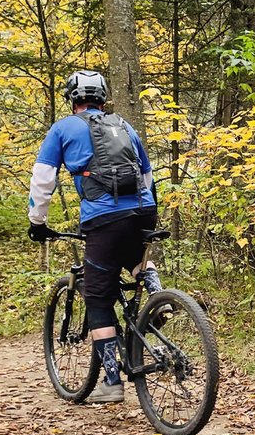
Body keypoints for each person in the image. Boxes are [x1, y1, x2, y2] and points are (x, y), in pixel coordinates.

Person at [28, 69, 161, 404]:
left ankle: (112, 382)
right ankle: (158, 294)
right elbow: (146, 175)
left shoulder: (63, 128)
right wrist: (142, 210)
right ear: (102, 98)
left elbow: (44, 179)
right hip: (143, 209)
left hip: (103, 217)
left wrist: (37, 221)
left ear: (73, 99)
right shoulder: (124, 126)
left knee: (98, 297)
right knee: (133, 254)